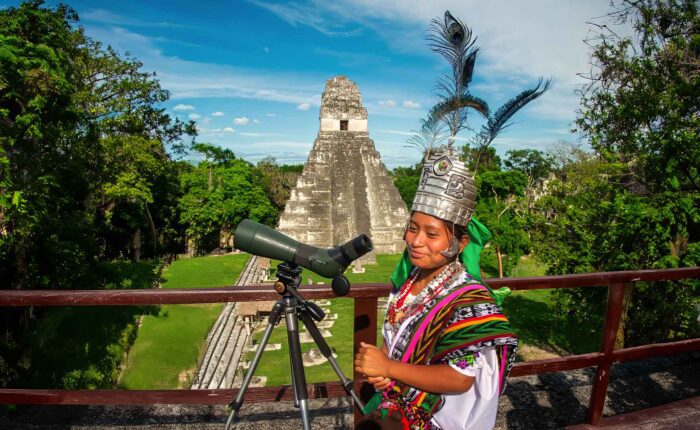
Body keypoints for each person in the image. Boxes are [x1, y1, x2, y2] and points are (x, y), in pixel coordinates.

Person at [354, 151, 518, 430]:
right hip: (396, 410)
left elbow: (459, 379)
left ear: (460, 243)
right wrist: (382, 369)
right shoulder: (409, 282)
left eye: (432, 235)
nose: (416, 241)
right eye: (412, 228)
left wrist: (389, 368)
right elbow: (394, 340)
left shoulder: (469, 300)